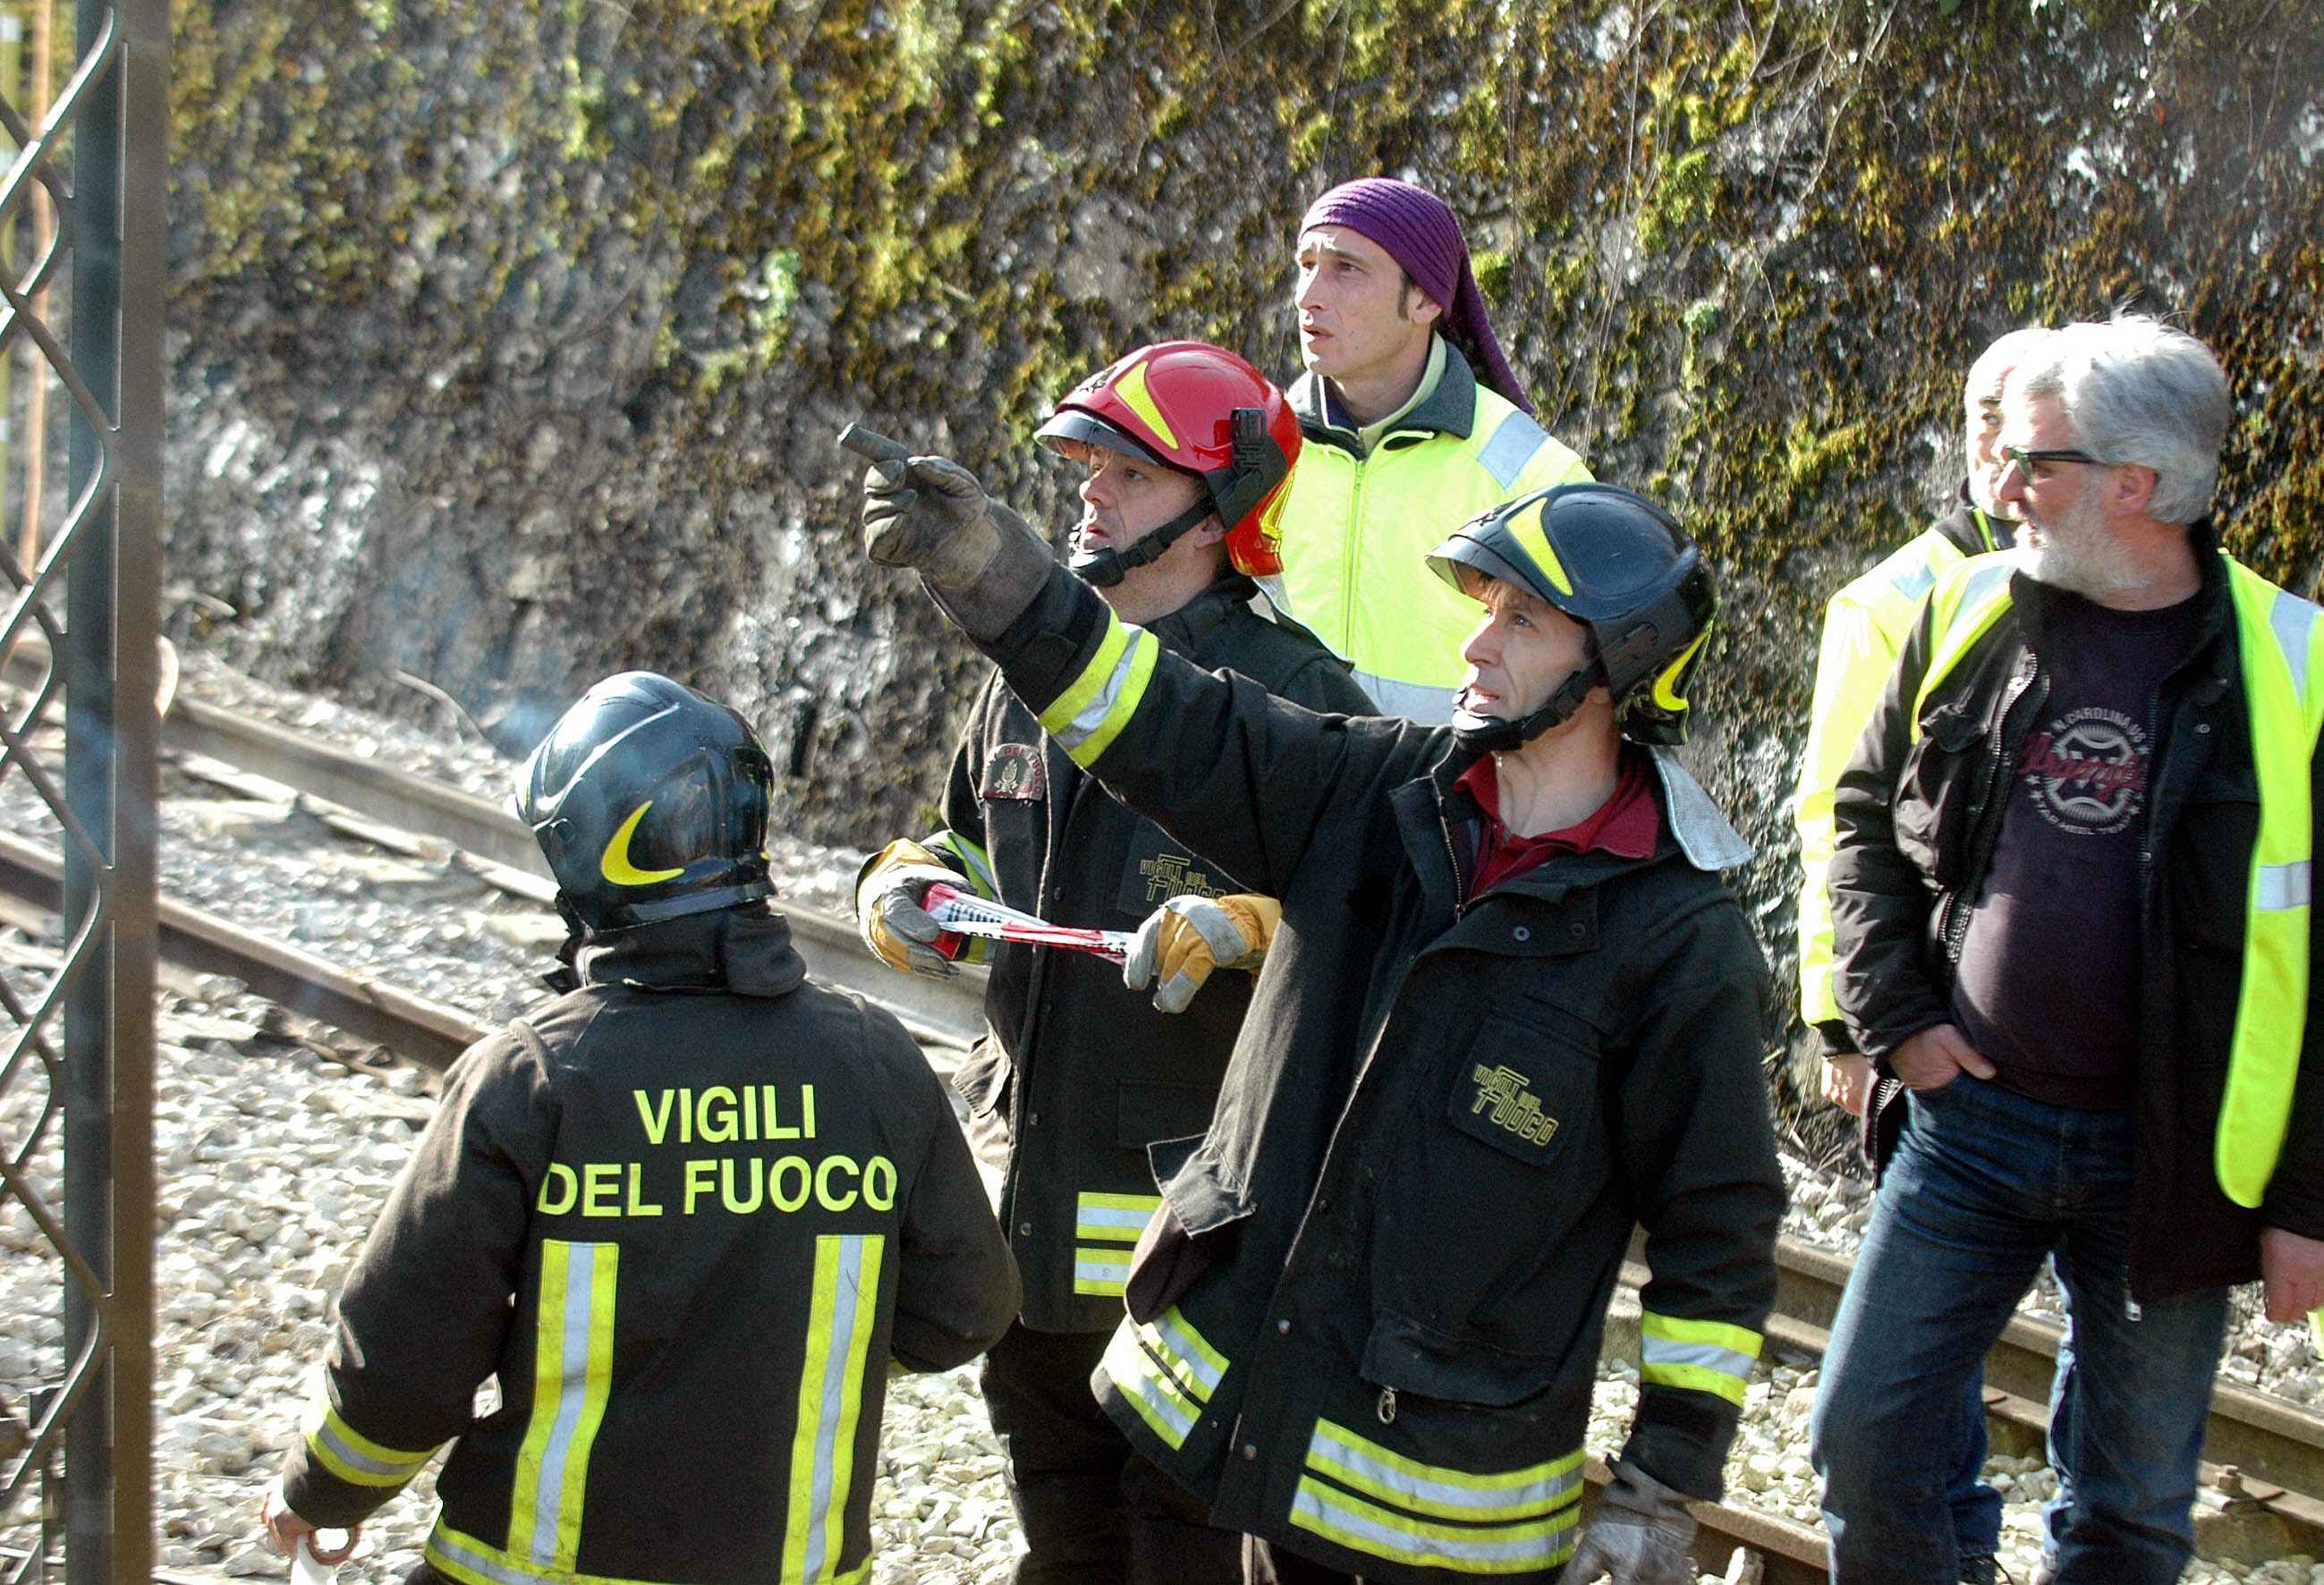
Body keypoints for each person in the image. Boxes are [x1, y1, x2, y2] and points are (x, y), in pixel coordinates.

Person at [855, 445, 1785, 1584]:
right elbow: (1163, 721)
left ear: (1617, 662)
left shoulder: (1678, 941)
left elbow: (1716, 1234)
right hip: (1255, 1429)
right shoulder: (1378, 792)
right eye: (1485, 608)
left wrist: (1659, 1482)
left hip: (1437, 1512)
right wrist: (992, 571)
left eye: (1523, 620)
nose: (1476, 644)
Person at [259, 672, 1018, 1585]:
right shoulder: (873, 1059)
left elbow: (407, 1359)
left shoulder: (533, 1078)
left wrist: (323, 1492)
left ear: (585, 855)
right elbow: (968, 1306)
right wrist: (776, 1353)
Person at [1811, 314, 2324, 1585]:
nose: (2000, 486)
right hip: (1968, 1129)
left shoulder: (2298, 665)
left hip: (2172, 1155)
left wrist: (2306, 1205)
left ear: (2133, 485)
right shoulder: (1967, 604)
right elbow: (1861, 817)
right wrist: (1893, 1017)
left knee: (2129, 1511)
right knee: (1861, 1442)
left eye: (2035, 462)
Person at [855, 341, 1375, 1584]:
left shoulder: (1293, 690)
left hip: (1185, 1251)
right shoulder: (1024, 679)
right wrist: (905, 885)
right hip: (1028, 1225)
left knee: (1179, 1555)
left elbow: (1375, 914)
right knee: (1064, 1543)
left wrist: (1256, 926)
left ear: (1219, 503)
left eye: (1130, 473)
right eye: (1086, 465)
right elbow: (967, 839)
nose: (1091, 492)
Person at [1790, 326, 2053, 1585]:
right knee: (1918, 1357)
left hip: (2057, 1050)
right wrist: (1841, 1019)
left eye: (2030, 420)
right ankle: (1952, 1542)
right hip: (1924, 1028)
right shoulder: (1896, 598)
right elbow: (1830, 819)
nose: (2005, 446)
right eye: (1987, 417)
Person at [1259, 175, 1592, 722]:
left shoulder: (1535, 477)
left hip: (1450, 775)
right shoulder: (1256, 449)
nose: (1308, 295)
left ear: (1426, 299)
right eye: (1307, 265)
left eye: (1347, 269)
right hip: (1276, 772)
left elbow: (1576, 687)